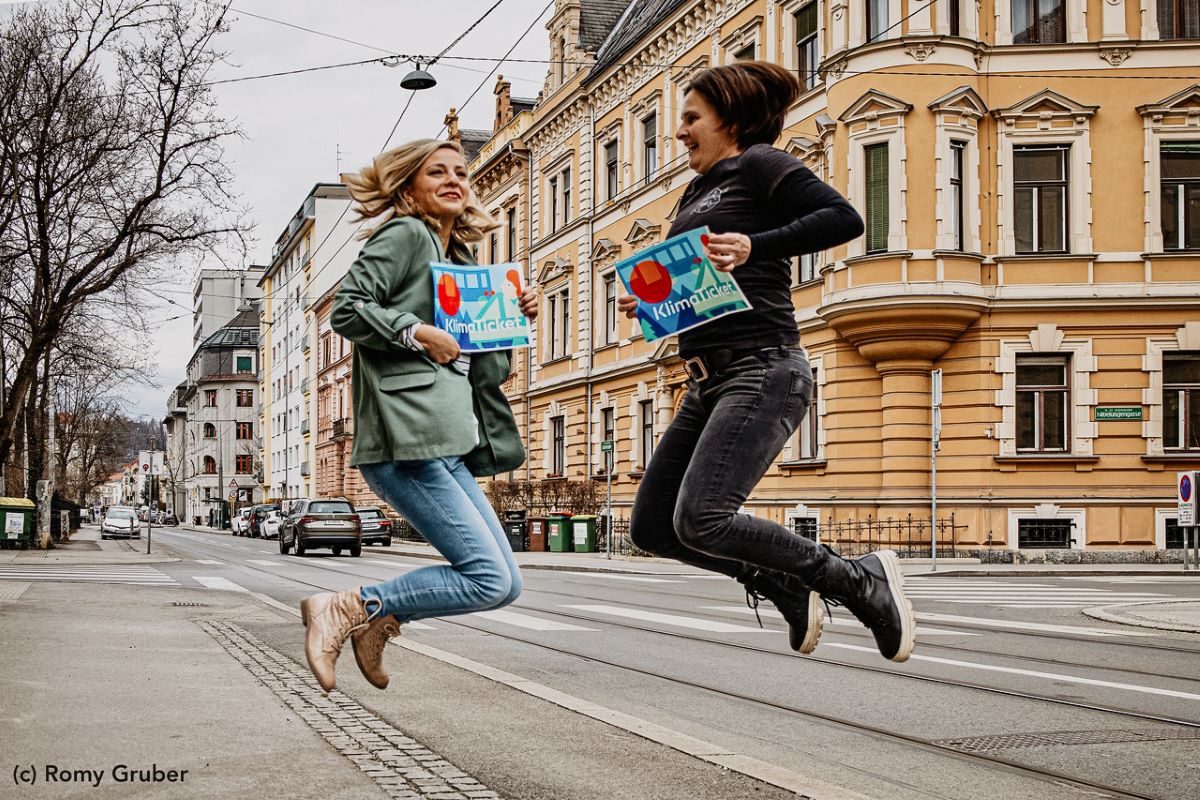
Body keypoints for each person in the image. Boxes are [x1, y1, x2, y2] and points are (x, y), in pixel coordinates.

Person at [619, 61, 917, 662]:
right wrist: (660, 299)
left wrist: (760, 243)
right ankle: (781, 581)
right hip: (707, 379)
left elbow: (844, 219)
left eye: (690, 118)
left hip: (762, 367)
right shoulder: (697, 190)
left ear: (728, 120)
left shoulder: (758, 162)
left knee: (703, 518)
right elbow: (719, 275)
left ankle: (857, 578)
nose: (678, 132)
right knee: (652, 526)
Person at [299, 139, 537, 692]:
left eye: (461, 172)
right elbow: (349, 309)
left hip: (448, 440)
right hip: (407, 439)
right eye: (438, 172)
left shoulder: (459, 260)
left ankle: (379, 621)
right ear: (410, 188)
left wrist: (509, 316)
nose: (455, 179)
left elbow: (484, 367)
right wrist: (414, 331)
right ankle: (349, 607)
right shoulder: (407, 234)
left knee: (507, 584)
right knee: (486, 578)